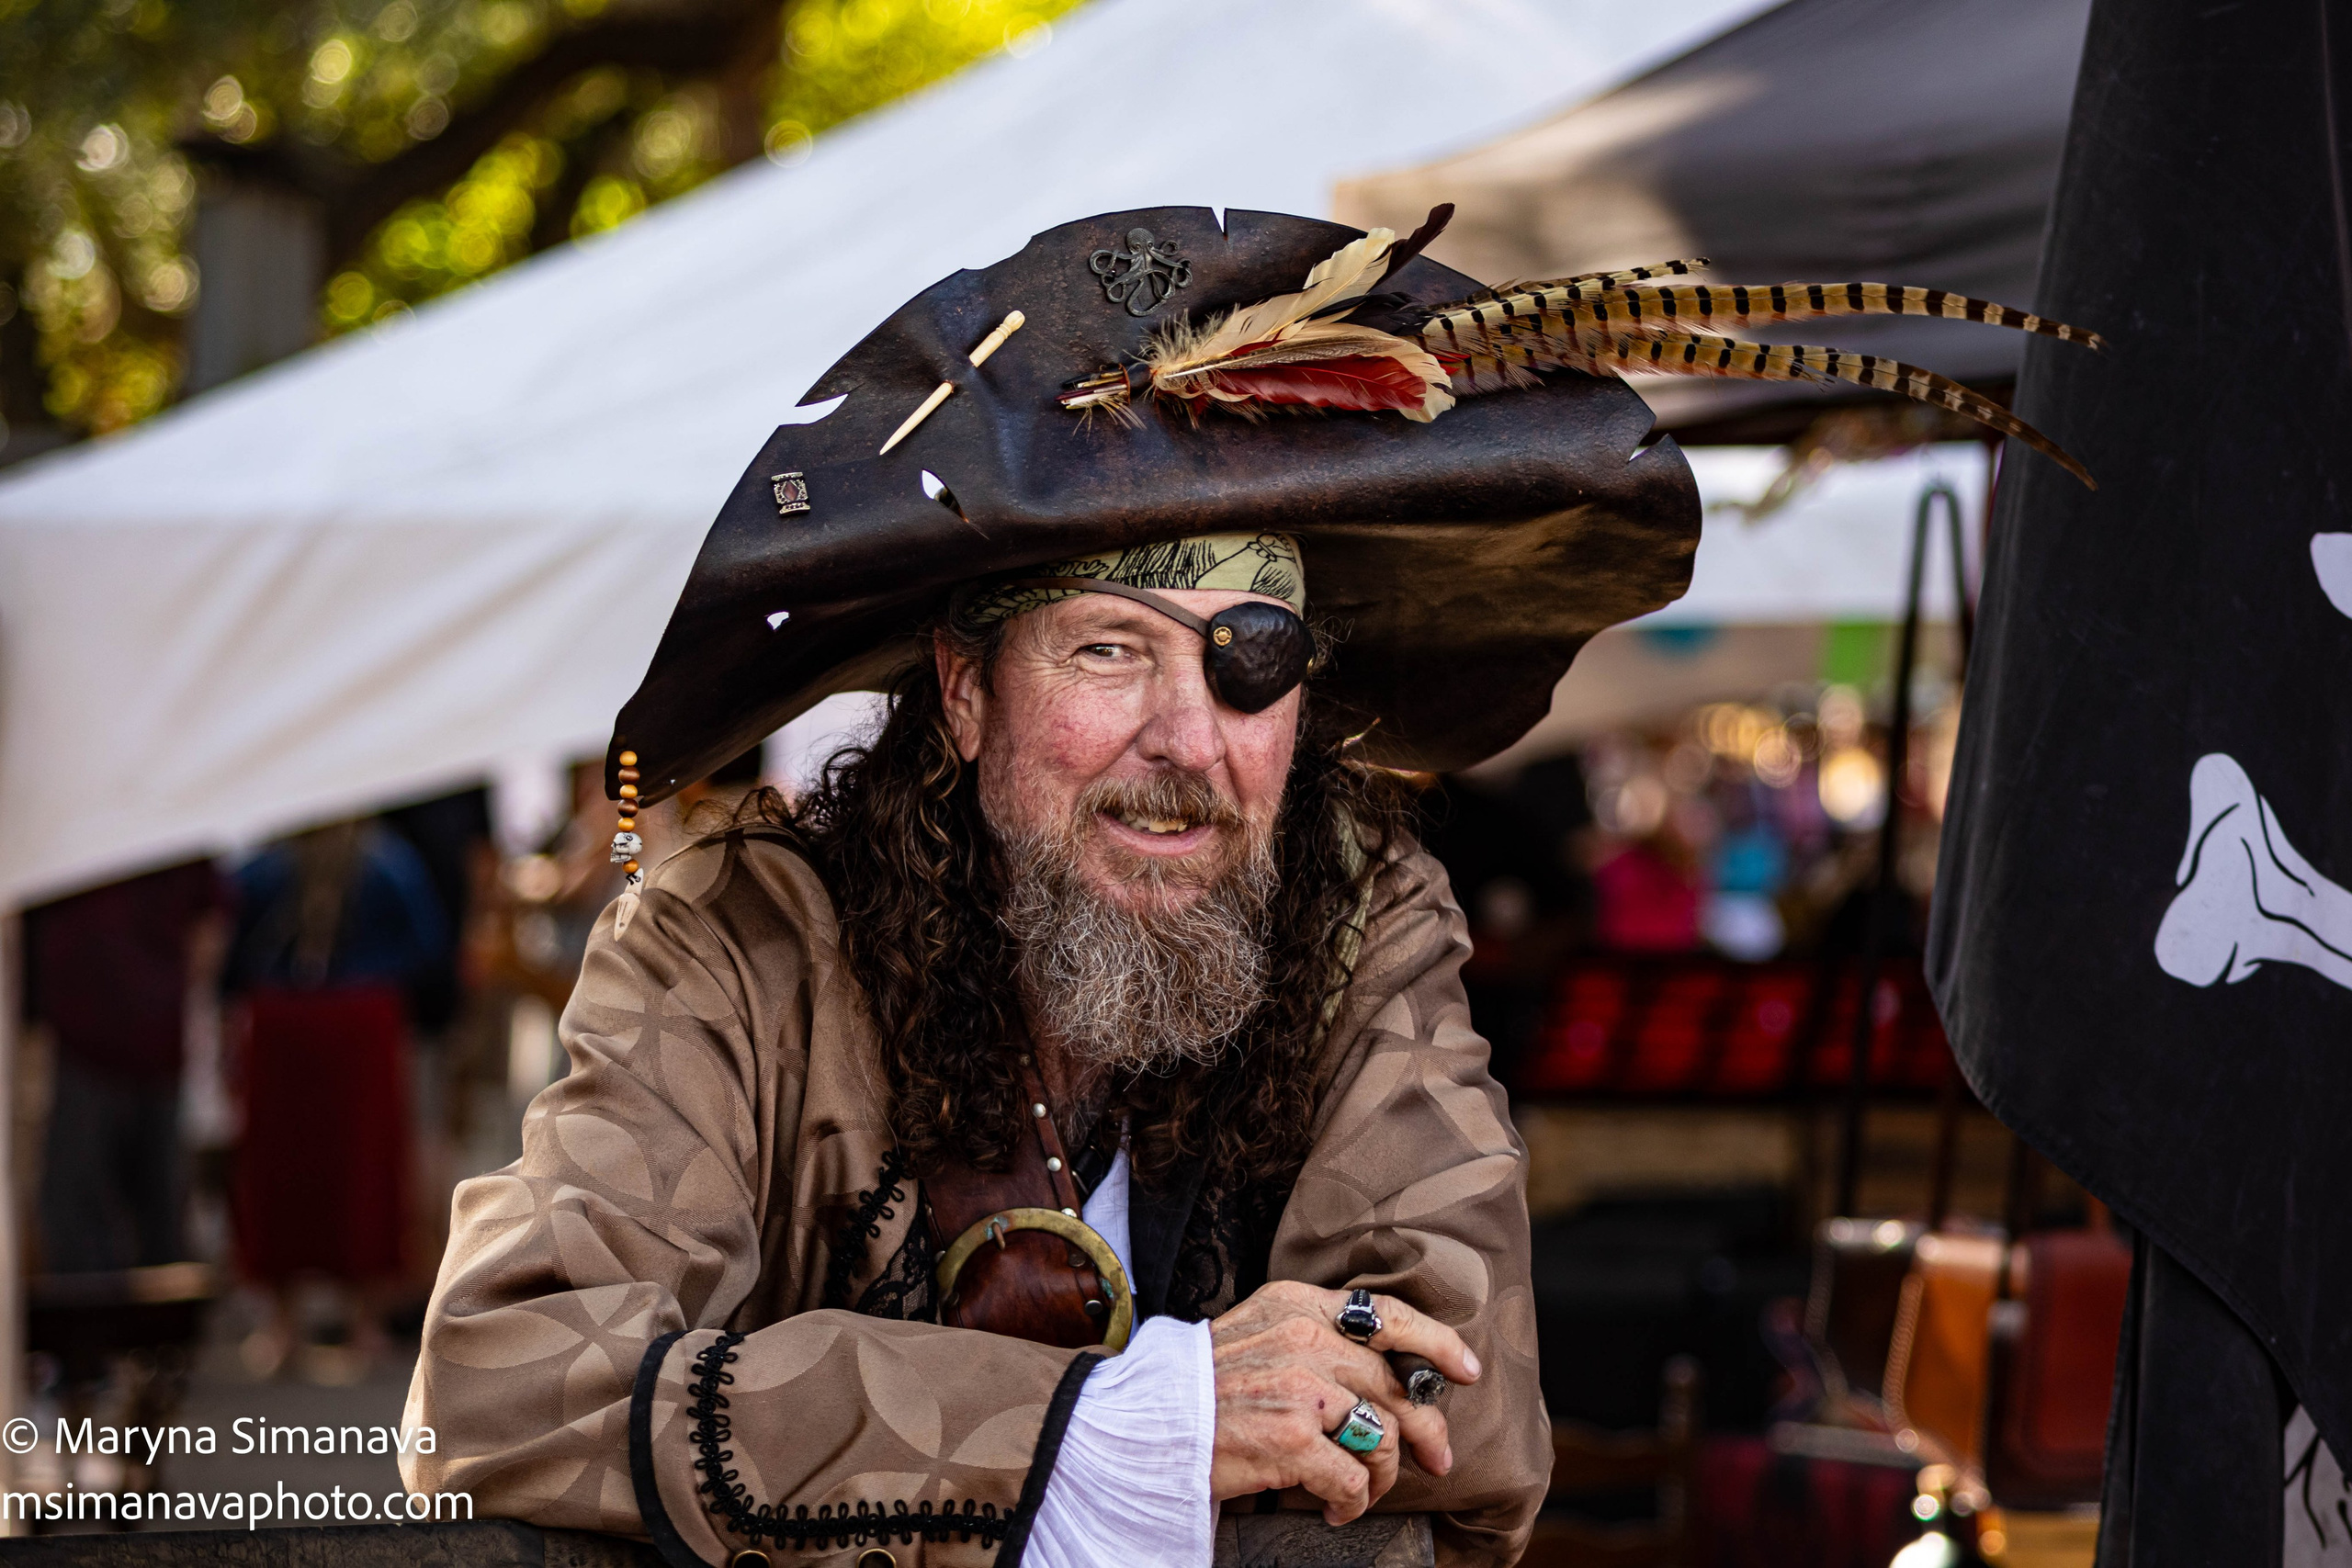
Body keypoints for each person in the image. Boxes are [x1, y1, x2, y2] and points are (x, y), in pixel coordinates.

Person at [403, 206, 1712, 1566]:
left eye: (1249, 662)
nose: (1189, 741)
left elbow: (1456, 1400)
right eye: (1106, 650)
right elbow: (509, 1379)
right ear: (965, 692)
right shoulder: (735, 948)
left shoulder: (1363, 925)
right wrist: (1116, 1423)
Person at [227, 817, 447, 1376]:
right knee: (302, 1170)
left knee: (350, 1170)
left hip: (330, 1018)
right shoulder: (384, 862)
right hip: (331, 1019)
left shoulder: (377, 863)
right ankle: (314, 1320)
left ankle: (344, 1319)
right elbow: (427, 951)